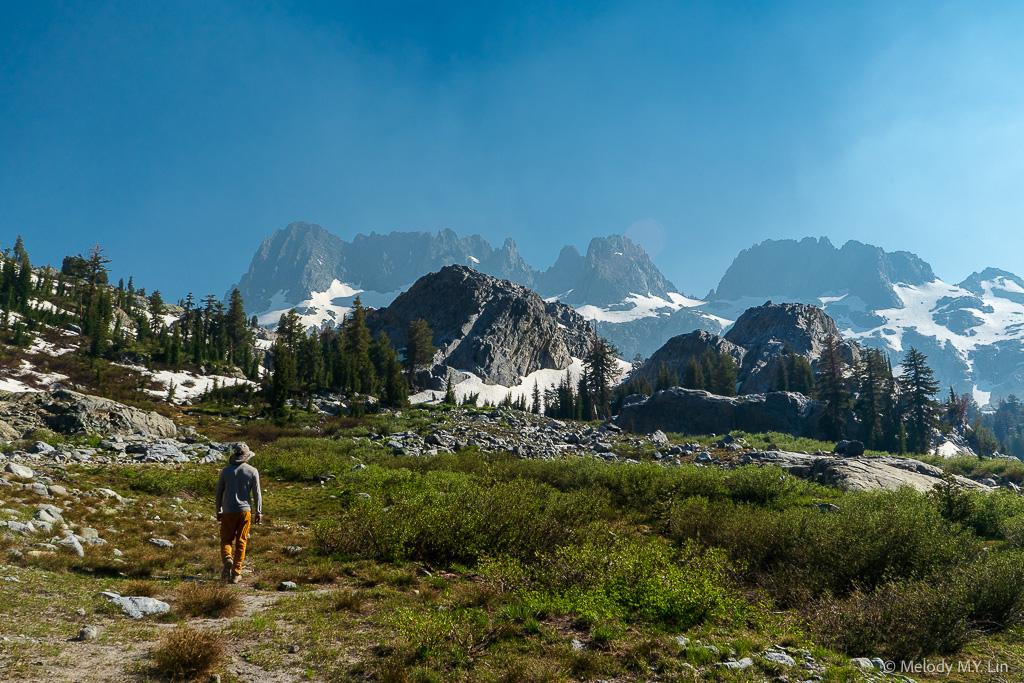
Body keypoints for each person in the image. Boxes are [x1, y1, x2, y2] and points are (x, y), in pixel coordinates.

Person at [215, 443, 262, 584]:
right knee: (241, 541)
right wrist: (258, 511)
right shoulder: (252, 471)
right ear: (247, 456)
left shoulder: (225, 471)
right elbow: (257, 494)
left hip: (228, 511)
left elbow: (219, 493)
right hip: (245, 511)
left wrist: (219, 510)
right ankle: (236, 573)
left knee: (226, 540)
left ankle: (227, 558)